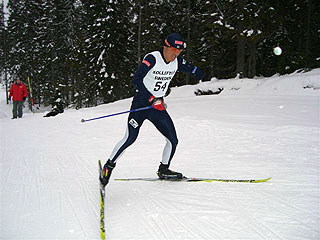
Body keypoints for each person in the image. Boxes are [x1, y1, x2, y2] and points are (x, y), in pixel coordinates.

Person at [100, 33, 205, 187]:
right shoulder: (152, 58)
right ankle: (108, 167)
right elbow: (136, 80)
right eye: (172, 50)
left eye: (178, 51)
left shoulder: (177, 62)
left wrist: (199, 72)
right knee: (130, 138)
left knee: (173, 140)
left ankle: (164, 170)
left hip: (157, 107)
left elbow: (190, 69)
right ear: (165, 46)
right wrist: (151, 98)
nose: (175, 54)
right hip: (141, 105)